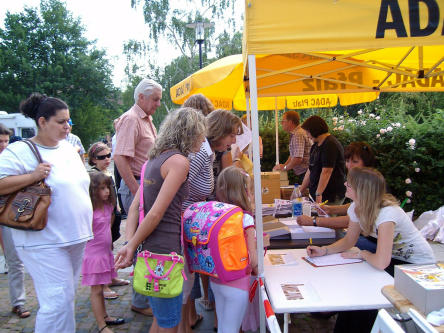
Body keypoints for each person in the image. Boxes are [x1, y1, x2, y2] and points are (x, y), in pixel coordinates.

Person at [0, 93, 93, 332]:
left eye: (68, 121)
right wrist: (32, 176)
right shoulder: (20, 150)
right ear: (42, 122)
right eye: (61, 122)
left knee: (66, 298)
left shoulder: (69, 148)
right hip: (42, 239)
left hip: (74, 236)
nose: (67, 126)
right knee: (56, 300)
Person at [307, 167, 435, 333]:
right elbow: (348, 240)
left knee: (365, 291)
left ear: (362, 190)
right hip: (396, 261)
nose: (345, 184)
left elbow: (381, 262)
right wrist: (324, 250)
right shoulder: (356, 207)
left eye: (350, 184)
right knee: (358, 285)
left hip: (417, 266)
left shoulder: (387, 213)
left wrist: (363, 254)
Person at [115, 107, 206, 333]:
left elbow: (136, 208)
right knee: (170, 324)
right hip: (165, 252)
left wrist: (130, 243)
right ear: (192, 133)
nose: (204, 139)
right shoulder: (178, 162)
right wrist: (132, 245)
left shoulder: (153, 160)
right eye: (202, 134)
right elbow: (155, 213)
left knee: (161, 318)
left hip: (151, 250)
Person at [180, 109, 243, 333]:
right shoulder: (200, 153)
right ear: (220, 132)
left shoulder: (207, 151)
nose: (234, 141)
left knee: (186, 285)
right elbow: (179, 185)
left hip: (190, 221)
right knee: (184, 286)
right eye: (232, 135)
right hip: (183, 223)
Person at [113, 78, 162, 316]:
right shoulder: (132, 119)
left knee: (145, 242)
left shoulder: (144, 119)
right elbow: (120, 157)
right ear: (141, 97)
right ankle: (140, 301)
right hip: (138, 186)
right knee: (140, 244)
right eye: (155, 99)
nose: (158, 104)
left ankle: (144, 296)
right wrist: (136, 191)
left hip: (144, 186)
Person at [211, 166, 258, 333]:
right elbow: (253, 259)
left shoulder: (216, 215)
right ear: (245, 192)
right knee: (231, 327)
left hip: (216, 279)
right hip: (237, 282)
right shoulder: (245, 218)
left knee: (224, 324)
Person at [297, 142, 375, 229]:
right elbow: (355, 206)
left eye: (355, 162)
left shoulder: (371, 184)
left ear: (366, 163)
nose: (349, 165)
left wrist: (314, 221)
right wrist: (330, 209)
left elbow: (352, 220)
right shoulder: (360, 179)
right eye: (347, 161)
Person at [82, 172, 125, 333]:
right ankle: (101, 325)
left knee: (101, 289)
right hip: (93, 255)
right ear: (93, 190)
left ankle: (105, 316)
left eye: (107, 187)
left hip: (105, 252)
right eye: (102, 188)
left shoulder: (108, 207)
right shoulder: (89, 210)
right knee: (97, 290)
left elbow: (108, 225)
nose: (106, 191)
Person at [87, 142, 130, 299]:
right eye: (101, 157)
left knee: (109, 248)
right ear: (93, 159)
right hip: (101, 221)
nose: (106, 159)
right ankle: (103, 284)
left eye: (108, 155)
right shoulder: (93, 176)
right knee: (102, 252)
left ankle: (111, 276)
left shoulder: (107, 173)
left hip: (111, 216)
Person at [0, 124, 31, 319]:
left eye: (5, 141)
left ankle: (18, 302)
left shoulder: (11, 161)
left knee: (14, 260)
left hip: (7, 214)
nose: (3, 145)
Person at [299, 115, 346, 204]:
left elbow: (327, 171)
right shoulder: (315, 146)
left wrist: (318, 193)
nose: (307, 136)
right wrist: (300, 191)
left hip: (330, 195)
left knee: (327, 217)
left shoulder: (330, 144)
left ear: (314, 130)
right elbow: (310, 170)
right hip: (317, 195)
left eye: (308, 133)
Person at [273, 111, 311, 183]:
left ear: (290, 122)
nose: (281, 123)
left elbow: (298, 158)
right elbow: (293, 154)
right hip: (305, 172)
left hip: (306, 173)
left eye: (283, 121)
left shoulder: (298, 134)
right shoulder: (296, 133)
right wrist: (284, 165)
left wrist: (284, 168)